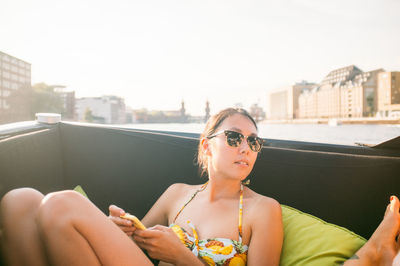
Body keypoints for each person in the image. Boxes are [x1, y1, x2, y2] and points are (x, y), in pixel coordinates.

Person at [0, 107, 399, 266]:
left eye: (254, 142)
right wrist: (126, 228)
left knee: (61, 205)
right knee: (19, 202)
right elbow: (140, 242)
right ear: (207, 144)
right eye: (234, 138)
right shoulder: (177, 193)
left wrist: (183, 256)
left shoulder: (263, 210)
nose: (246, 148)